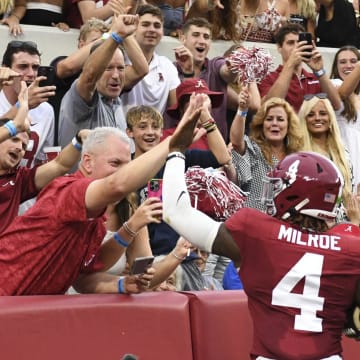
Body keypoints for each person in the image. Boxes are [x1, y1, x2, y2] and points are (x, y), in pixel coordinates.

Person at [162, 116, 360, 359]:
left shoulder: (257, 232)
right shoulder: (351, 245)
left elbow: (175, 212)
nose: (272, 193)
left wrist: (176, 152)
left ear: (297, 196)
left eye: (278, 187)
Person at [0, 90, 202, 295]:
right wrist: (173, 143)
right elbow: (117, 185)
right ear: (87, 162)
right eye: (115, 163)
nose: (124, 170)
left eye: (127, 164)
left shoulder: (96, 221)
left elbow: (84, 276)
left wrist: (122, 283)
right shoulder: (67, 189)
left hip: (26, 314)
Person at [0, 81, 88, 234]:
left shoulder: (20, 180)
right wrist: (20, 115)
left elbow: (60, 165)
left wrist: (78, 142)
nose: (19, 148)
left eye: (23, 145)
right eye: (14, 139)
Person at [58, 13, 148, 150]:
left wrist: (125, 33)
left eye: (121, 68)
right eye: (108, 68)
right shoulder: (80, 97)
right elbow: (90, 76)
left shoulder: (114, 99)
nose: (116, 76)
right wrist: (115, 35)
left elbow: (142, 70)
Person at [230, 94, 304, 212]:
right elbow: (236, 142)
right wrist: (242, 110)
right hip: (254, 220)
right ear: (261, 124)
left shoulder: (297, 158)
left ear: (289, 125)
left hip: (285, 224)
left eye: (280, 119)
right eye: (269, 119)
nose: (274, 123)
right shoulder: (253, 149)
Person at [171, 16, 238, 141]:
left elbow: (227, 72)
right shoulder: (170, 70)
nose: (202, 41)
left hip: (215, 151)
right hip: (180, 146)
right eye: (196, 35)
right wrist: (188, 72)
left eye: (206, 37)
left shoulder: (215, 65)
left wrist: (233, 67)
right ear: (182, 38)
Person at [258, 22, 341, 113]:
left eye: (299, 42)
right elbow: (270, 107)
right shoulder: (269, 78)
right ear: (279, 47)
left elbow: (336, 105)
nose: (296, 47)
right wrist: (290, 65)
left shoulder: (315, 77)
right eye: (290, 43)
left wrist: (319, 71)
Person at [1, 40, 56, 168]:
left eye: (35, 67)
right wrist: (23, 106)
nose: (31, 74)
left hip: (23, 185)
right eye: (23, 66)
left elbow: (43, 161)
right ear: (5, 69)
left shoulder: (46, 110)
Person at [119, 4, 180, 118]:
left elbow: (177, 108)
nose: (152, 29)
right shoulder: (119, 58)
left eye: (157, 26)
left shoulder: (167, 65)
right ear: (134, 29)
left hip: (153, 134)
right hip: (120, 133)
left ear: (162, 32)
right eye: (145, 25)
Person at [298, 93, 353, 205]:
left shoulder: (343, 152)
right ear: (304, 120)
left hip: (343, 217)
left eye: (323, 113)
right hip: (311, 217)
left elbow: (348, 190)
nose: (317, 118)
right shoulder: (297, 153)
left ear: (330, 119)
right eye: (311, 115)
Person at [330, 45, 360, 188]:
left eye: (353, 61)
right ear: (336, 67)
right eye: (342, 62)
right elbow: (342, 93)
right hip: (342, 150)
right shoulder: (334, 85)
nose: (348, 65)